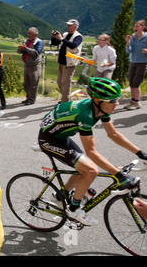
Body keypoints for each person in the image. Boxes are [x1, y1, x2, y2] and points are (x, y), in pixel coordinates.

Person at [39, 77, 147, 225]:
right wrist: (119, 175)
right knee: (91, 170)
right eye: (113, 101)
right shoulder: (86, 115)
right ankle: (74, 208)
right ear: (97, 100)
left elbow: (113, 134)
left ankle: (59, 196)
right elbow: (91, 151)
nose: (117, 103)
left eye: (117, 99)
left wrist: (141, 153)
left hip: (61, 136)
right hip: (49, 139)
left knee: (83, 168)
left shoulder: (101, 108)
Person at [51, 19, 83, 103]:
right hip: (62, 61)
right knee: (59, 81)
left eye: (69, 25)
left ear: (75, 27)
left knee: (66, 82)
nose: (67, 27)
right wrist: (53, 37)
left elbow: (73, 45)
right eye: (67, 25)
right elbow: (55, 43)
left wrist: (61, 38)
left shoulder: (78, 36)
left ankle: (65, 100)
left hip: (70, 62)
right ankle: (66, 97)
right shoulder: (65, 34)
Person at [17, 27, 44, 105]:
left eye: (30, 33)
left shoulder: (39, 42)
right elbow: (19, 51)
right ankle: (28, 97)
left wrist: (26, 49)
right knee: (26, 84)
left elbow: (36, 53)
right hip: (26, 65)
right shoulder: (25, 41)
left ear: (35, 34)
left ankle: (32, 100)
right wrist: (20, 49)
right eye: (28, 33)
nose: (28, 35)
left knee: (33, 83)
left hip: (35, 65)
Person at [124, 20, 147, 110]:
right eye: (134, 26)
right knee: (131, 82)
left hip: (143, 63)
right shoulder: (132, 37)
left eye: (137, 26)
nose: (135, 28)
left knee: (136, 83)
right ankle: (132, 101)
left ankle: (137, 102)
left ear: (143, 27)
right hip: (133, 61)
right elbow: (129, 51)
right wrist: (128, 42)